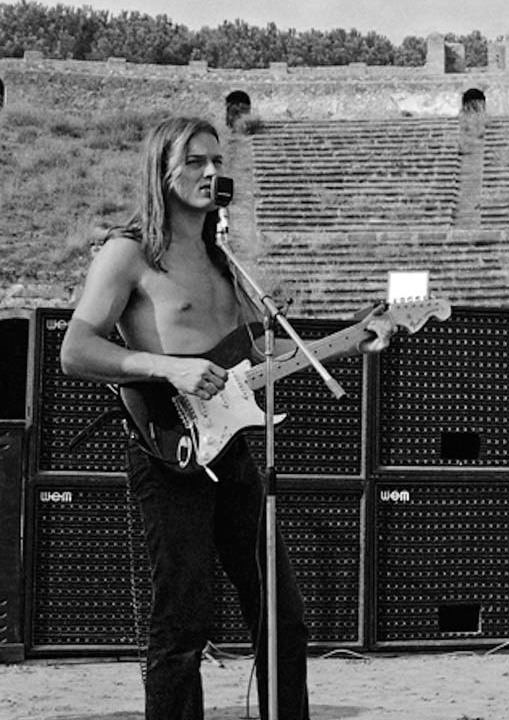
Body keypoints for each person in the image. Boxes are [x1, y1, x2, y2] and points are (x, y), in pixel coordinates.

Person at [60, 116, 387, 720]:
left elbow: (253, 362)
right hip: (169, 450)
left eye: (217, 160)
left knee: (281, 613)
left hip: (232, 447)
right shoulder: (127, 252)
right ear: (163, 170)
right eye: (195, 161)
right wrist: (167, 367)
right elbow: (76, 351)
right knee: (182, 620)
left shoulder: (227, 261)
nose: (212, 172)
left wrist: (347, 342)